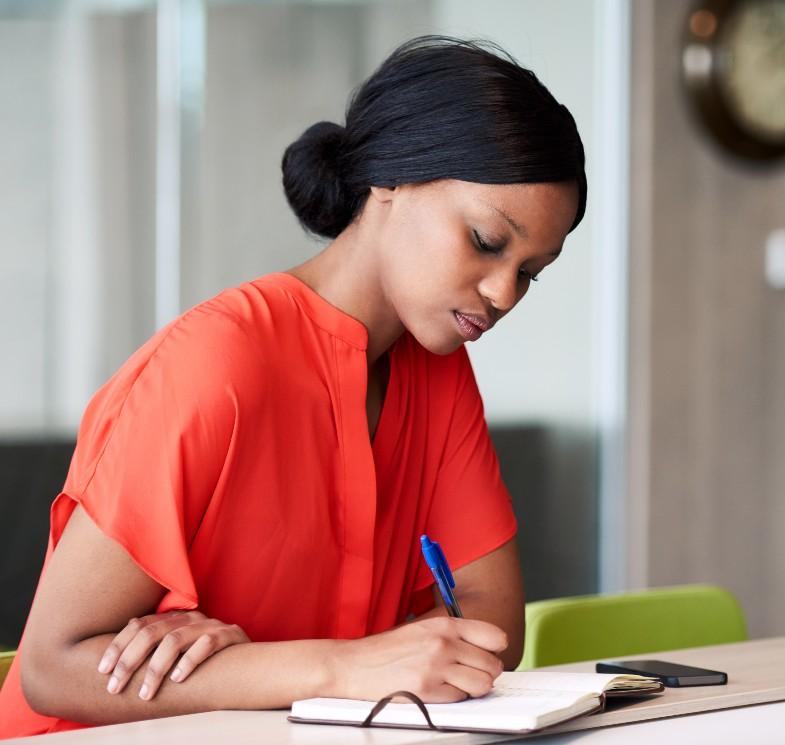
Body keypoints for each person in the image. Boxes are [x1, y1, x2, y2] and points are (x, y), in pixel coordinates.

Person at [0, 35, 585, 738]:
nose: (502, 293)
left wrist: (256, 667)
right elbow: (52, 666)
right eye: (488, 241)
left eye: (530, 271)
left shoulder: (438, 371)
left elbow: (493, 623)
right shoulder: (217, 363)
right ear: (390, 181)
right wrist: (343, 665)